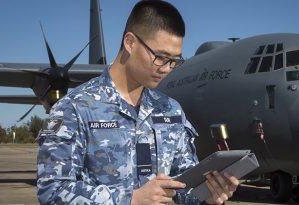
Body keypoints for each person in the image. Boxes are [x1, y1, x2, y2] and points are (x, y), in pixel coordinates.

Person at [36, 1, 239, 204]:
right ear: (130, 42)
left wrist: (207, 195)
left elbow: (182, 186)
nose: (167, 68)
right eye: (160, 57)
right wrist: (130, 200)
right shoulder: (74, 108)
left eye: (175, 60)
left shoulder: (170, 109)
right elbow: (53, 192)